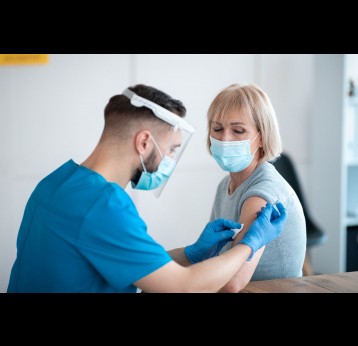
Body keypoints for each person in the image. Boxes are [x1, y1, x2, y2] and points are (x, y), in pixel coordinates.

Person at [7, 84, 287, 293]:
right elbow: (184, 287)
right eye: (171, 149)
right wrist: (249, 244)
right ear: (143, 143)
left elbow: (126, 260)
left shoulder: (57, 182)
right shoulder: (103, 207)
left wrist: (190, 252)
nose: (169, 160)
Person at [207, 84, 306, 292]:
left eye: (238, 130)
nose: (225, 139)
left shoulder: (262, 192)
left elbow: (232, 282)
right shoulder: (225, 186)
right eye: (217, 129)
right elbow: (214, 258)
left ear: (261, 137)